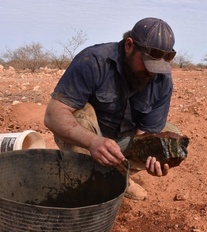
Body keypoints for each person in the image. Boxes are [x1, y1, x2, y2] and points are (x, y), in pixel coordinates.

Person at [44, 17, 180, 201]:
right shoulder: (93, 61)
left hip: (123, 140)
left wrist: (152, 154)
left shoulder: (162, 80)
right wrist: (93, 142)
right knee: (78, 115)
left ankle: (119, 176)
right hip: (88, 137)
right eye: (148, 63)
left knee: (170, 136)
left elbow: (145, 134)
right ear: (129, 45)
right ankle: (85, 182)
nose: (152, 72)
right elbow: (53, 114)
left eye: (158, 67)